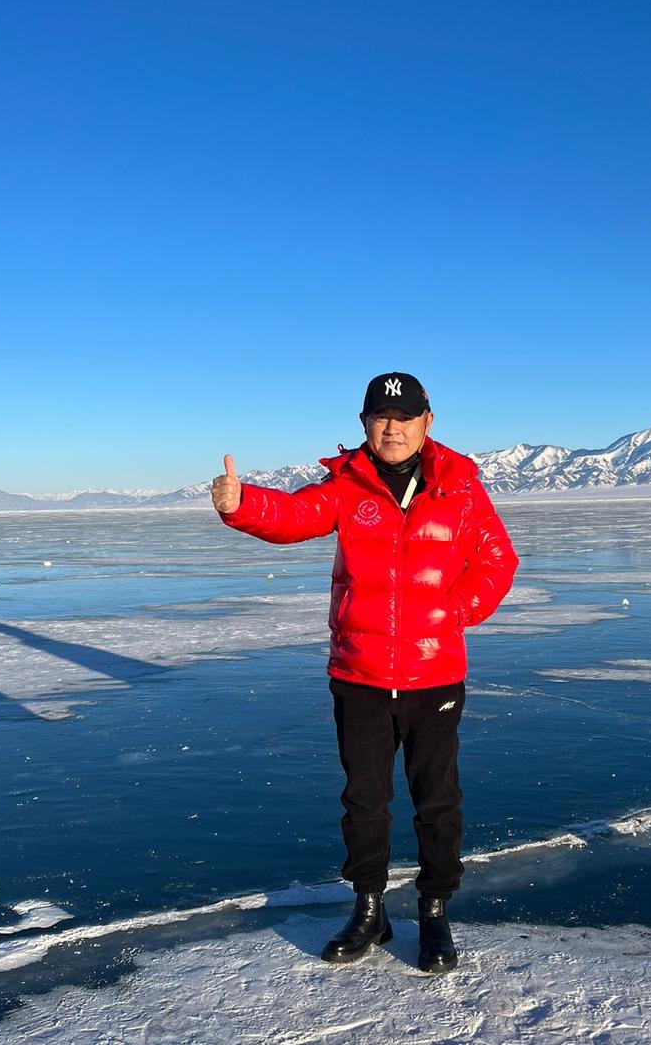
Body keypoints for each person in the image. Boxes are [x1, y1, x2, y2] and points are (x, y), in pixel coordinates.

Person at [210, 372, 518, 974]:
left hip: (434, 676)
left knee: (438, 801)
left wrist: (453, 610)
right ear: (365, 425)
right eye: (380, 416)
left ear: (428, 422)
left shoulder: (459, 488)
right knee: (364, 801)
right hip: (361, 675)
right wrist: (242, 504)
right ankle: (370, 911)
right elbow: (295, 515)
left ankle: (434, 913)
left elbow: (497, 558)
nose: (392, 427)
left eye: (404, 416)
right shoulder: (348, 486)